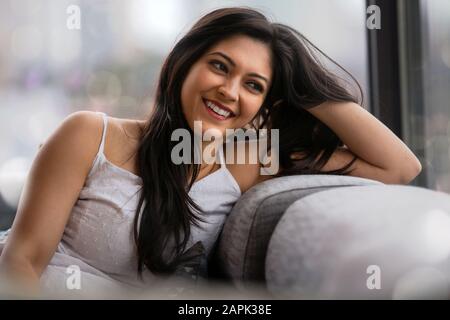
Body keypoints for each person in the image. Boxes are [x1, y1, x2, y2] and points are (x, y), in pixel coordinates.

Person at [0, 7, 421, 297]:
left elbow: (398, 165)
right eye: (220, 65)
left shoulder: (249, 163)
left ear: (265, 103)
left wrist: (303, 86)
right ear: (184, 63)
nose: (230, 90)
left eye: (254, 85)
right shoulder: (89, 133)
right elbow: (20, 261)